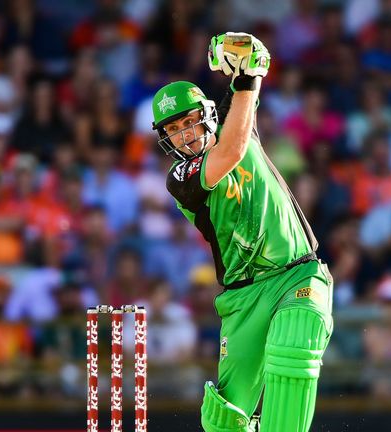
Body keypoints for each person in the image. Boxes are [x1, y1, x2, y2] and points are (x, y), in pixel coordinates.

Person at [150, 33, 333, 431]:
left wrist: (247, 70)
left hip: (297, 272)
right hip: (243, 297)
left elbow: (242, 104)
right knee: (224, 421)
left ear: (208, 115)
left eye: (190, 120)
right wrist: (249, 78)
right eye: (174, 129)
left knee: (293, 350)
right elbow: (230, 151)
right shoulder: (181, 179)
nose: (185, 133)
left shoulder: (240, 123)